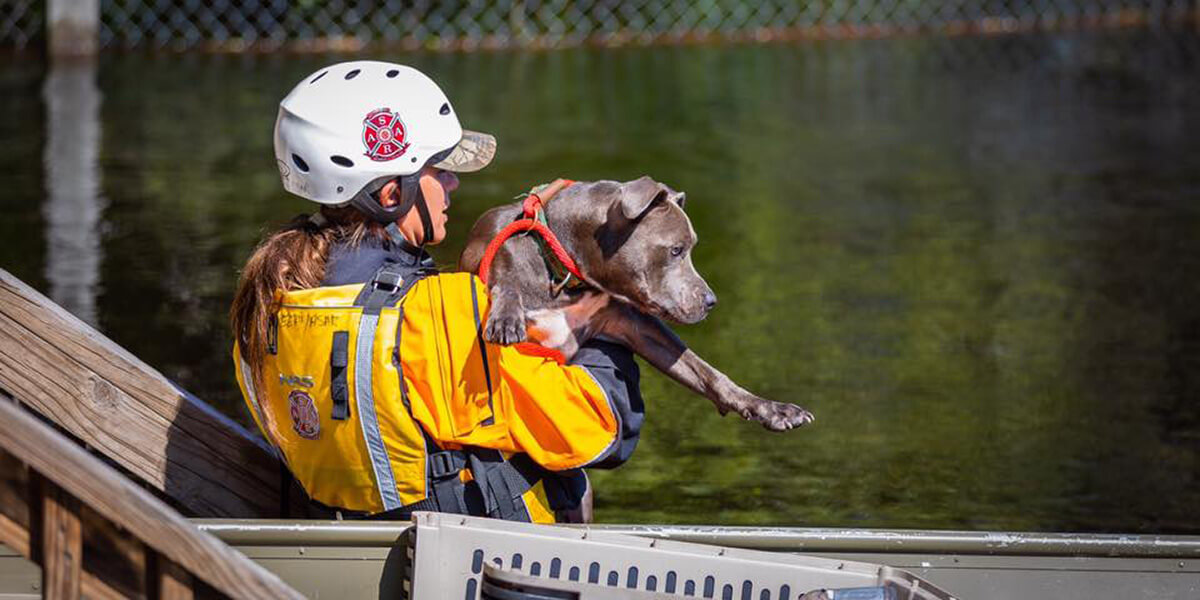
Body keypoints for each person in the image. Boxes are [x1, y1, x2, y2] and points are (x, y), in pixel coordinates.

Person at [229, 61, 643, 523]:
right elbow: (597, 431)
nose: (453, 182)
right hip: (491, 566)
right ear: (391, 195)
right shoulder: (438, 311)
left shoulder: (266, 304)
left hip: (353, 544)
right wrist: (607, 324)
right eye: (437, 168)